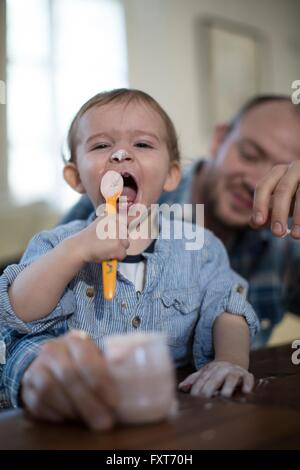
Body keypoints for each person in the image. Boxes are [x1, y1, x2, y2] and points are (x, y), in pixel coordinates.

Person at [0, 89, 258, 428]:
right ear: (75, 177)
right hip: (78, 413)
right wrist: (75, 251)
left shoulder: (200, 246)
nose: (121, 154)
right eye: (101, 145)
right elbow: (19, 312)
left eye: (143, 145)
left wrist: (230, 361)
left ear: (171, 175)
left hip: (169, 410)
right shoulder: (57, 243)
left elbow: (227, 309)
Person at [64, 95, 300, 347]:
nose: (255, 182)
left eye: (279, 173)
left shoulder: (286, 242)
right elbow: (33, 312)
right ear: (219, 139)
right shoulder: (111, 199)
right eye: (249, 155)